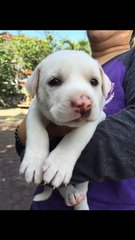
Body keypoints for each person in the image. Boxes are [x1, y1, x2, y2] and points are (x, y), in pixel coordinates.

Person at [15, 30, 135, 210]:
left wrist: (65, 153)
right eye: (55, 81)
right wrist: (32, 144)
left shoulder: (129, 60)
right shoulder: (68, 61)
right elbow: (34, 111)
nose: (82, 103)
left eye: (93, 82)